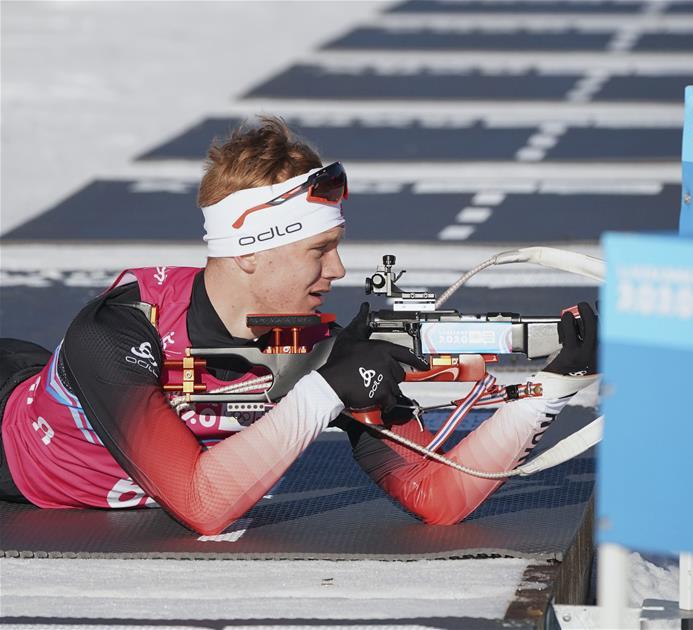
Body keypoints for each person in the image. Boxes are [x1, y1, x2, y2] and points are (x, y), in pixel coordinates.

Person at [0, 116, 597, 535]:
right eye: (319, 250)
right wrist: (326, 392)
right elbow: (203, 506)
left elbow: (437, 496)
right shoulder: (118, 331)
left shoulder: (309, 346)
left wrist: (550, 388)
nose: (338, 269)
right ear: (250, 252)